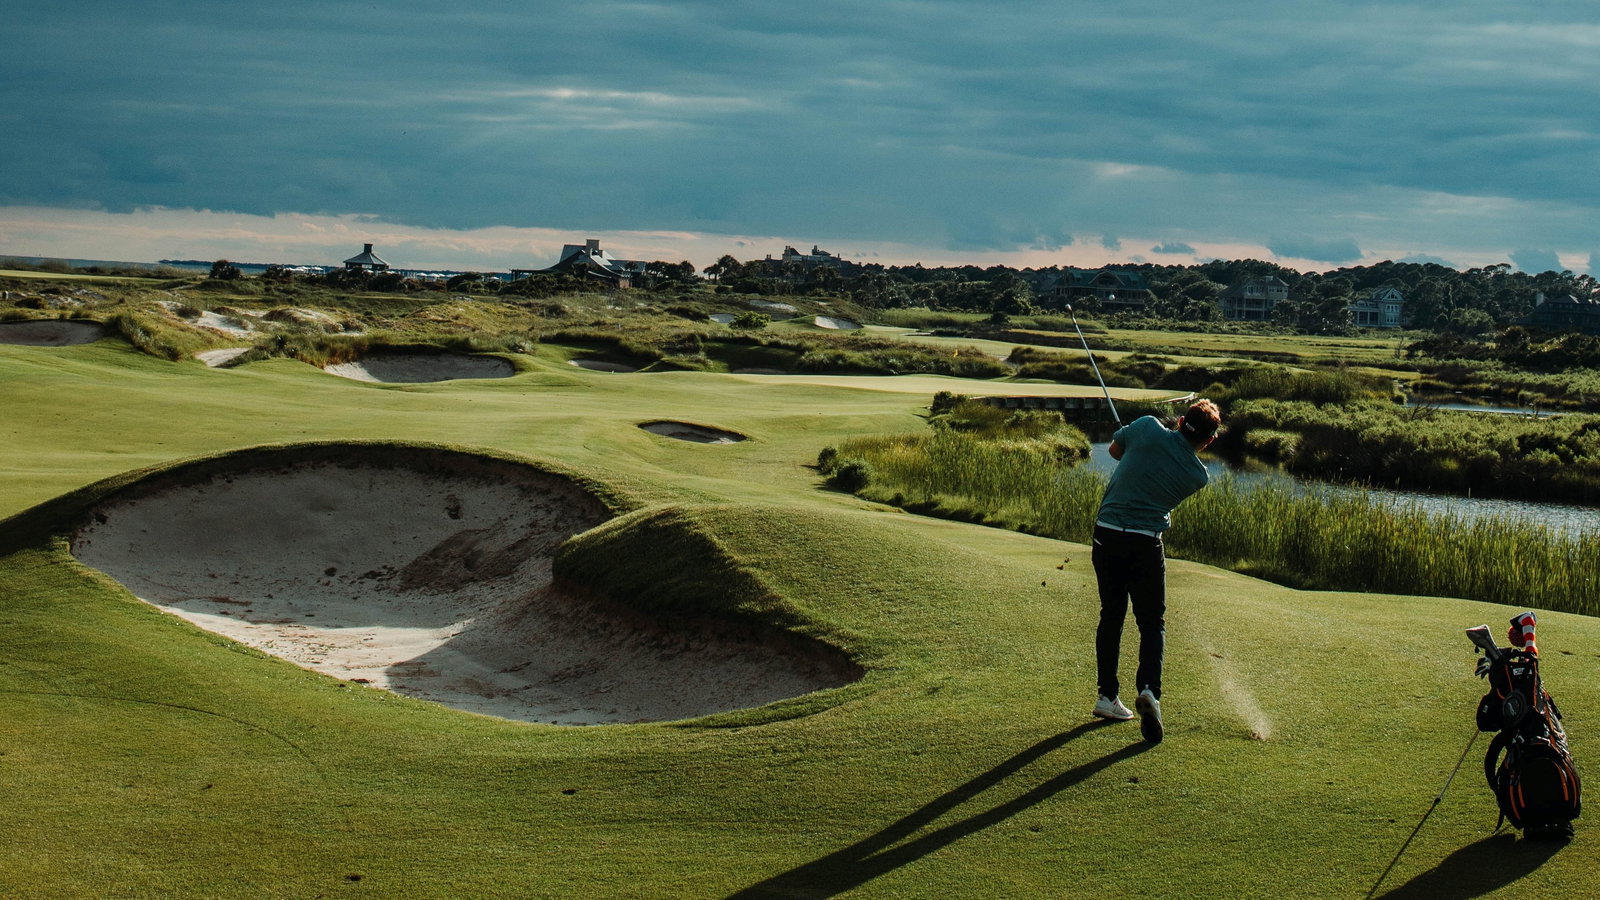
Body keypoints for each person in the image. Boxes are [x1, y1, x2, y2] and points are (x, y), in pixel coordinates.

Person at [1089, 399, 1222, 743]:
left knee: (1112, 615)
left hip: (1106, 535)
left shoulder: (1147, 426)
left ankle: (1107, 697)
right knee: (1151, 622)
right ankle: (1149, 690)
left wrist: (1135, 439)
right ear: (1208, 441)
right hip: (1144, 544)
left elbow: (1117, 450)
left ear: (1180, 420)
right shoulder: (1198, 476)